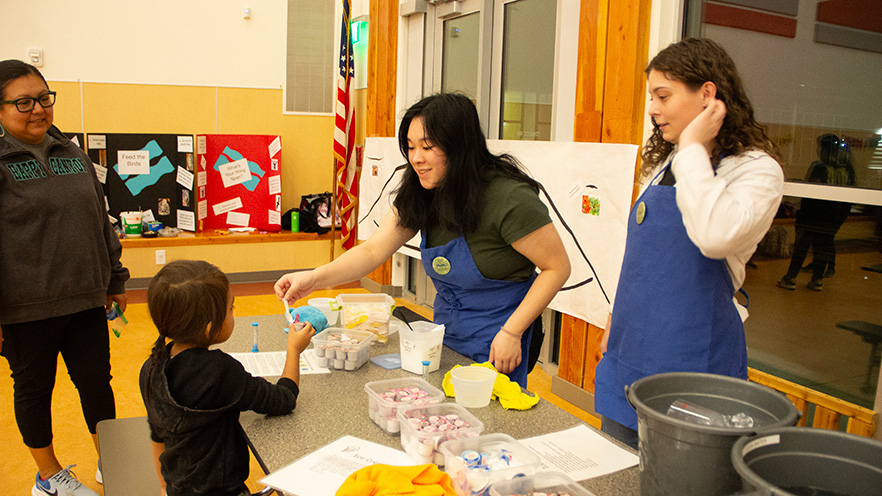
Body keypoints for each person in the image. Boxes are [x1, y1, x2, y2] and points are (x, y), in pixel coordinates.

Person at [275, 93, 570, 388]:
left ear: (459, 147)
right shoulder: (423, 189)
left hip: (501, 335)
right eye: (411, 147)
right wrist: (314, 278)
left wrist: (512, 332)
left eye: (427, 147)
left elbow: (557, 268)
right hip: (447, 331)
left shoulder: (509, 198)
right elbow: (373, 250)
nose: (416, 158)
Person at [594, 38, 784, 448]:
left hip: (695, 360)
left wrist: (693, 147)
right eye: (651, 97)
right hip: (630, 350)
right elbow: (639, 257)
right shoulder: (666, 165)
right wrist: (615, 317)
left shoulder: (755, 170)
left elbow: (714, 237)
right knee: (616, 474)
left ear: (708, 95)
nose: (652, 109)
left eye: (663, 95)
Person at [0, 59, 129, 496]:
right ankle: (49, 476)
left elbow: (100, 218)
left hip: (87, 299)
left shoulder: (71, 152)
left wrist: (114, 279)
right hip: (25, 307)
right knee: (35, 389)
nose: (37, 109)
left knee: (97, 383)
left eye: (43, 98)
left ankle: (109, 462)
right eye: (23, 102)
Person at [140, 260, 314, 496]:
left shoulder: (151, 368)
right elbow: (283, 399)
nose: (233, 313)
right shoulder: (221, 372)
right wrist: (294, 349)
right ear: (209, 327)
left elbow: (156, 433)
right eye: (231, 308)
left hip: (177, 489)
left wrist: (163, 486)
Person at [777, 134, 855, 290]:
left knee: (802, 247)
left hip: (813, 218)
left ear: (824, 149)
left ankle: (790, 278)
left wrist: (801, 215)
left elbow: (811, 195)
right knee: (823, 248)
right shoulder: (847, 169)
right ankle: (817, 280)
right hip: (834, 217)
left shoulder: (819, 168)